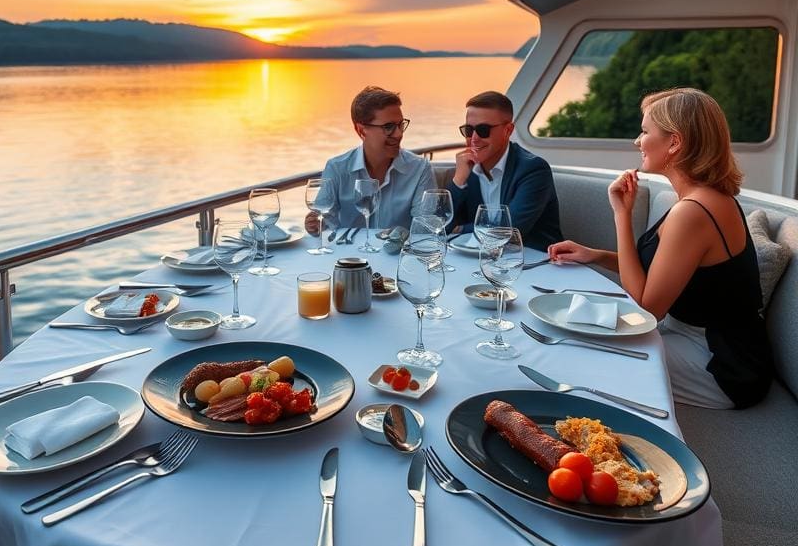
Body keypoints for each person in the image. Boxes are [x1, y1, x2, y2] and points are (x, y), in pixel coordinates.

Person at [548, 88, 772, 409]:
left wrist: (622, 215)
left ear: (675, 142)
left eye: (644, 131)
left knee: (581, 356)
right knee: (574, 334)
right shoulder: (701, 197)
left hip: (723, 365)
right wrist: (593, 255)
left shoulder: (693, 211)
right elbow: (661, 273)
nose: (637, 141)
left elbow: (647, 306)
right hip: (691, 337)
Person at [305, 86, 436, 234]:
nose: (399, 134)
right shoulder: (337, 168)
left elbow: (425, 228)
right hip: (350, 256)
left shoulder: (420, 169)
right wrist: (315, 225)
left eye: (400, 125)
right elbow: (324, 224)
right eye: (389, 127)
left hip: (398, 254)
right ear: (361, 130)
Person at [448, 91, 562, 251]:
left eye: (483, 130)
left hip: (534, 262)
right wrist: (458, 180)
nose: (473, 138)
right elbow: (442, 225)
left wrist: (460, 229)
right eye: (468, 130)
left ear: (508, 130)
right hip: (480, 261)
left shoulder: (534, 170)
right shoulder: (467, 170)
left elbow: (510, 232)